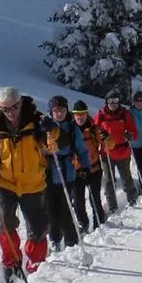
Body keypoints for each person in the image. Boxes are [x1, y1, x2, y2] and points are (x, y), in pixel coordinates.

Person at [0, 88, 51, 278]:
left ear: (20, 104)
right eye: (5, 109)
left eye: (14, 107)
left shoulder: (35, 121)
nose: (10, 112)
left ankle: (35, 261)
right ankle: (11, 262)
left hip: (32, 183)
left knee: (37, 227)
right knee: (5, 224)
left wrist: (53, 131)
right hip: (5, 182)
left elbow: (52, 147)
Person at [41, 95, 85, 248]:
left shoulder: (72, 127)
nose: (59, 114)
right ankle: (55, 238)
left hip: (67, 171)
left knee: (65, 208)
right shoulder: (45, 126)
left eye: (62, 110)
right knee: (50, 209)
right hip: (48, 171)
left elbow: (81, 149)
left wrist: (84, 167)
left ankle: (71, 239)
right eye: (56, 111)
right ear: (51, 112)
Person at [92, 94, 142, 206]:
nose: (113, 104)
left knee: (126, 178)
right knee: (109, 181)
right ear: (106, 102)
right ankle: (112, 206)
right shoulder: (100, 115)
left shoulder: (125, 114)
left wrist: (130, 135)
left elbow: (134, 132)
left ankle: (132, 200)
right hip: (107, 153)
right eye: (111, 101)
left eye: (116, 101)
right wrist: (101, 137)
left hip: (123, 151)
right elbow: (94, 131)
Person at [70, 100, 109, 227]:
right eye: (77, 114)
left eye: (82, 114)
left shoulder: (94, 129)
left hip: (94, 170)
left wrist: (107, 138)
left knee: (95, 200)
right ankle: (84, 226)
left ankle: (99, 224)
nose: (80, 117)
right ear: (74, 115)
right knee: (78, 204)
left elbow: (110, 145)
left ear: (86, 114)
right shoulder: (69, 131)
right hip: (77, 172)